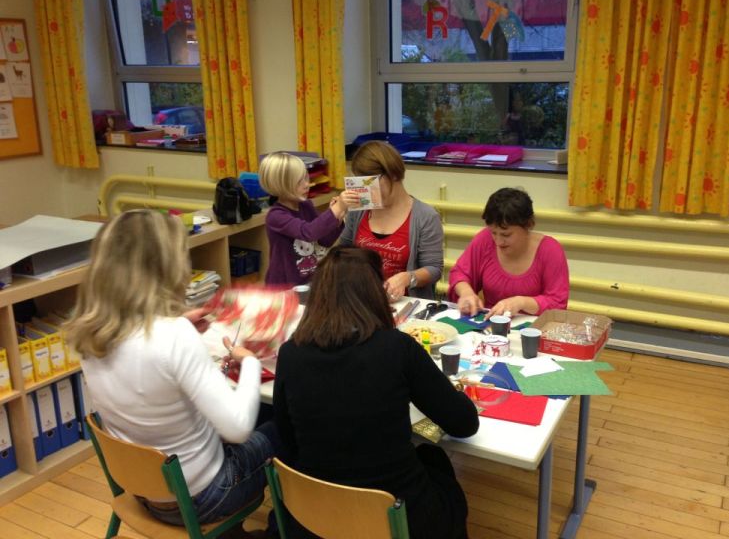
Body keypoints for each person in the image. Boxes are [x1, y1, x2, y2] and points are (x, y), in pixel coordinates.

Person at [65, 210, 276, 536]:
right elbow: (238, 429)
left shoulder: (88, 331)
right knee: (282, 425)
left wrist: (178, 326)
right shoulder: (173, 335)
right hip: (202, 498)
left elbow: (146, 370)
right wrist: (249, 362)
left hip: (143, 489)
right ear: (165, 268)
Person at [273, 246, 479, 539]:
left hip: (315, 517)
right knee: (436, 462)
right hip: (397, 518)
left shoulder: (290, 353)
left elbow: (287, 437)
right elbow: (464, 424)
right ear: (374, 294)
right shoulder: (397, 348)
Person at [340, 140, 443, 300]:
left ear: (393, 174)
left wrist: (407, 278)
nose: (367, 190)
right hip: (362, 299)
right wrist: (336, 215)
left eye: (371, 182)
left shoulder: (425, 216)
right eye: (362, 183)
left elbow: (434, 269)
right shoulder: (360, 210)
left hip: (404, 302)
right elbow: (343, 252)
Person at [449, 187, 569, 317]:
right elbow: (459, 273)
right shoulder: (485, 239)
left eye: (506, 235)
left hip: (534, 326)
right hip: (490, 323)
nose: (498, 241)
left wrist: (521, 302)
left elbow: (557, 303)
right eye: (493, 233)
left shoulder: (550, 250)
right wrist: (466, 293)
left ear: (528, 225)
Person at [259, 151, 352, 286]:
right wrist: (336, 209)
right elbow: (308, 232)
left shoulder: (306, 205)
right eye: (299, 182)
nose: (307, 184)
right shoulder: (276, 216)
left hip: (308, 280)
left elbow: (324, 240)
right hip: (283, 287)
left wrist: (338, 216)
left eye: (306, 178)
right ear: (281, 186)